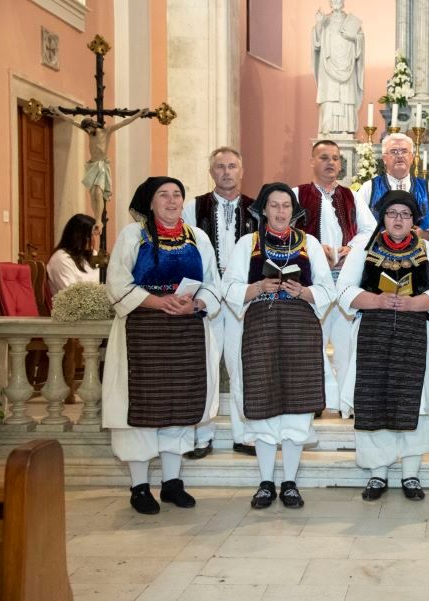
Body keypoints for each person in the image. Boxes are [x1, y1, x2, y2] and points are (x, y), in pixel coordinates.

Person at [103, 176, 221, 515]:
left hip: (185, 332)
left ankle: (172, 484)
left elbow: (213, 284)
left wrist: (195, 304)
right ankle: (139, 487)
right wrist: (159, 302)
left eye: (177, 195)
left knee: (180, 406)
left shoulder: (197, 237)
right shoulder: (133, 235)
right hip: (142, 333)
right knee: (141, 407)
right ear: (150, 202)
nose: (171, 201)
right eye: (163, 195)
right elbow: (117, 283)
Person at [222, 183, 336, 509]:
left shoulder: (309, 243)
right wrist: (258, 286)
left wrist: (304, 292)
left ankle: (289, 482)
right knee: (263, 401)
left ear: (294, 210)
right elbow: (228, 288)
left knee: (297, 407)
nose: (281, 211)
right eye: (274, 205)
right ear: (264, 209)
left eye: (286, 205)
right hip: (260, 328)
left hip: (299, 329)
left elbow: (328, 290)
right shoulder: (248, 244)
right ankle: (265, 482)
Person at [336, 190, 429, 501]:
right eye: (392, 213)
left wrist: (415, 303)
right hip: (373, 334)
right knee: (374, 399)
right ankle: (378, 473)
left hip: (415, 334)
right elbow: (343, 289)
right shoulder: (364, 247)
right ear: (383, 217)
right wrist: (376, 300)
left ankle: (411, 474)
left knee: (414, 401)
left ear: (414, 220)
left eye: (405, 214)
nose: (398, 219)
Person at [182, 146, 258, 458]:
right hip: (206, 297)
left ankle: (246, 435)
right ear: (211, 172)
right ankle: (201, 436)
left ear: (242, 171)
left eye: (232, 166)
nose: (226, 172)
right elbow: (186, 250)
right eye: (220, 167)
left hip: (242, 299)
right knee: (205, 366)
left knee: (242, 366)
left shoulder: (256, 209)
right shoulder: (193, 207)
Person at [293, 140, 377, 413]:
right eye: (324, 157)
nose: (331, 163)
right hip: (311, 279)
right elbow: (286, 230)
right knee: (312, 341)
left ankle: (346, 403)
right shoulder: (296, 194)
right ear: (311, 161)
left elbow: (370, 230)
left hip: (343, 278)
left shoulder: (351, 196)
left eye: (335, 158)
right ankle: (316, 400)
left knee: (345, 343)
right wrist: (315, 248)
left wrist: (349, 248)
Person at [49, 108, 145, 226]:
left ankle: (99, 220)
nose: (88, 131)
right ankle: (96, 218)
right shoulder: (89, 132)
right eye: (86, 130)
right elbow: (71, 121)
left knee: (98, 192)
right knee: (92, 193)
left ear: (93, 125)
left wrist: (139, 114)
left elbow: (124, 122)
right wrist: (58, 112)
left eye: (89, 128)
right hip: (92, 165)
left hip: (101, 165)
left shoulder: (106, 131)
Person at [355, 133, 429, 241]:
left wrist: (425, 235)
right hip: (377, 250)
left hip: (419, 250)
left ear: (412, 158)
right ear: (384, 158)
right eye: (394, 151)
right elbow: (355, 223)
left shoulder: (426, 189)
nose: (399, 156)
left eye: (404, 151)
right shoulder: (370, 188)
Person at [312, 0, 364, 134]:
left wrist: (353, 37)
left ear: (343, 2)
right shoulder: (324, 21)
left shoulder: (351, 22)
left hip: (348, 66)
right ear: (330, 2)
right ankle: (327, 129)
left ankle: (347, 129)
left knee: (346, 97)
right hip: (328, 66)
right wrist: (319, 24)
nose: (336, 1)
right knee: (330, 96)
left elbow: (360, 41)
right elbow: (317, 44)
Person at [47, 214, 100, 295]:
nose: (93, 240)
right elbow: (72, 296)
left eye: (93, 235)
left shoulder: (92, 254)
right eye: (89, 236)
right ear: (77, 236)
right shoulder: (61, 259)